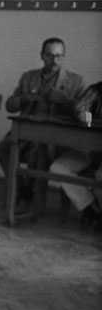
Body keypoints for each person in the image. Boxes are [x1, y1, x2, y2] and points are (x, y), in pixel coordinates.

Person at [0, 37, 85, 213]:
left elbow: (82, 111)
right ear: (42, 56)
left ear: (63, 57)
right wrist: (25, 98)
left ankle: (31, 198)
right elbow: (10, 106)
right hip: (25, 133)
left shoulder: (75, 81)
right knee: (2, 149)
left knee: (37, 153)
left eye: (59, 56)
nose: (55, 61)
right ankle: (21, 189)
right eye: (50, 55)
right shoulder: (29, 78)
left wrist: (64, 100)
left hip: (55, 138)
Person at [49, 82, 102, 231]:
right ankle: (93, 209)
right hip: (89, 149)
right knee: (58, 168)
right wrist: (82, 114)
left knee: (100, 175)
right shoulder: (96, 90)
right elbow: (80, 107)